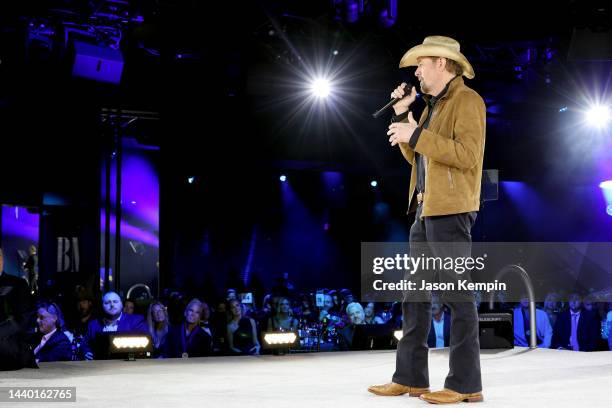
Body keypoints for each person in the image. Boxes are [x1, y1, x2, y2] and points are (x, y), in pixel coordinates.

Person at [368, 36, 486, 404]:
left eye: (421, 64)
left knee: (457, 297)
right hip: (424, 208)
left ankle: (466, 385)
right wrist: (405, 116)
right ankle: (410, 378)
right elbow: (419, 160)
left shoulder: (467, 101)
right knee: (414, 297)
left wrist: (414, 133)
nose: (415, 71)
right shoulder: (432, 107)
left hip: (451, 210)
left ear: (442, 64)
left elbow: (466, 156)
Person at [81, 291, 148, 359]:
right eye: (107, 303)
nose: (112, 305)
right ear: (102, 306)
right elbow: (85, 343)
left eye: (115, 302)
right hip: (101, 366)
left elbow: (145, 347)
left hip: (127, 366)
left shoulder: (136, 321)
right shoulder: (93, 324)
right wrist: (86, 352)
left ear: (121, 305)